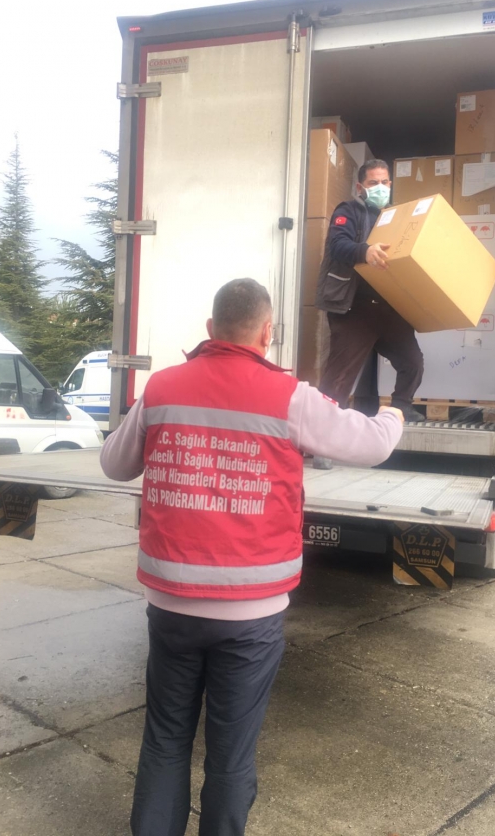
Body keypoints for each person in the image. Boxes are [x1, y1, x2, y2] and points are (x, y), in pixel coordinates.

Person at [100, 278, 404, 836]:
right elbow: (373, 444)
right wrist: (395, 414)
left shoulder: (162, 388)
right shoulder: (290, 396)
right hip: (251, 617)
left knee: (165, 742)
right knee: (230, 756)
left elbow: (113, 466)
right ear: (268, 333)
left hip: (171, 607)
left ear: (210, 329)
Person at [315, 159, 425, 423]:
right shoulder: (349, 211)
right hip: (355, 307)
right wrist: (364, 251)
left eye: (384, 182)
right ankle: (324, 424)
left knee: (413, 362)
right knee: (339, 376)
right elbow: (337, 245)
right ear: (360, 187)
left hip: (389, 306)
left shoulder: (399, 217)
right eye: (373, 183)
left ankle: (401, 407)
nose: (380, 187)